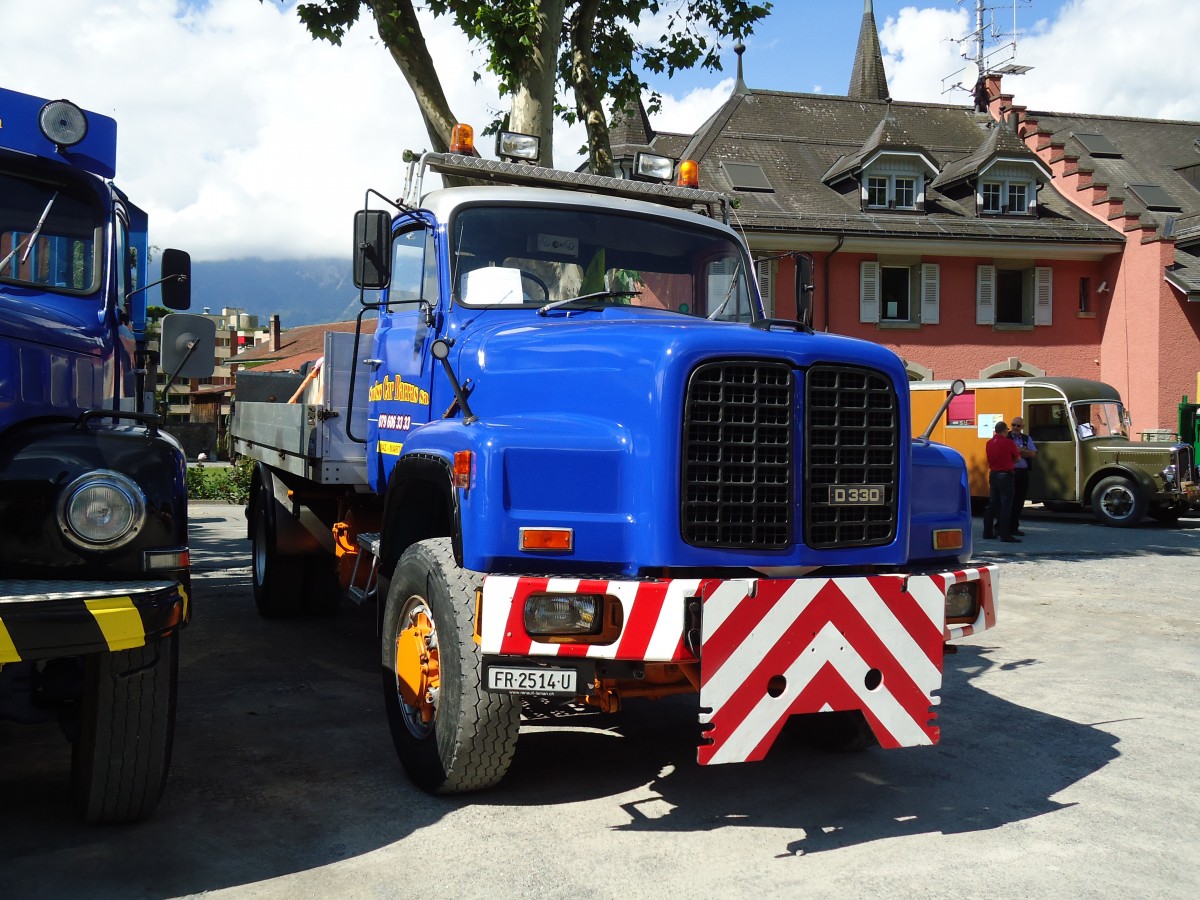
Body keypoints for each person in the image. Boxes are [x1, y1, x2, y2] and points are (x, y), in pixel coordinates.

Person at [983, 420, 1022, 542]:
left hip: (993, 474)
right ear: (1005, 431)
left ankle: (987, 531)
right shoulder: (1008, 443)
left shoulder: (989, 443)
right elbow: (1017, 459)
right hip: (1005, 475)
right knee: (1006, 505)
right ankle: (1004, 533)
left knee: (993, 504)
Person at [1008, 416, 1038, 536]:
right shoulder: (1006, 437)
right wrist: (1021, 450)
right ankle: (1002, 526)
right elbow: (1007, 453)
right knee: (1007, 501)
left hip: (1023, 473)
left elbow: (1033, 453)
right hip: (1010, 472)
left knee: (1019, 501)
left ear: (1022, 427)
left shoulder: (1026, 438)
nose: (1015, 428)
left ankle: (1014, 527)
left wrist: (1017, 451)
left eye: (1018, 425)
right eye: (1013, 425)